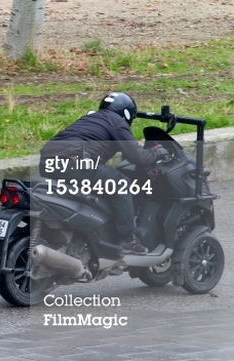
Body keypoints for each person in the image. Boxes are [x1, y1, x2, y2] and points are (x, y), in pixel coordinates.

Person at [39, 91, 169, 254]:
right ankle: (128, 240)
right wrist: (158, 153)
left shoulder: (90, 118)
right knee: (121, 184)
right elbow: (138, 157)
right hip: (74, 163)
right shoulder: (117, 121)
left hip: (47, 161)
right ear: (126, 113)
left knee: (97, 183)